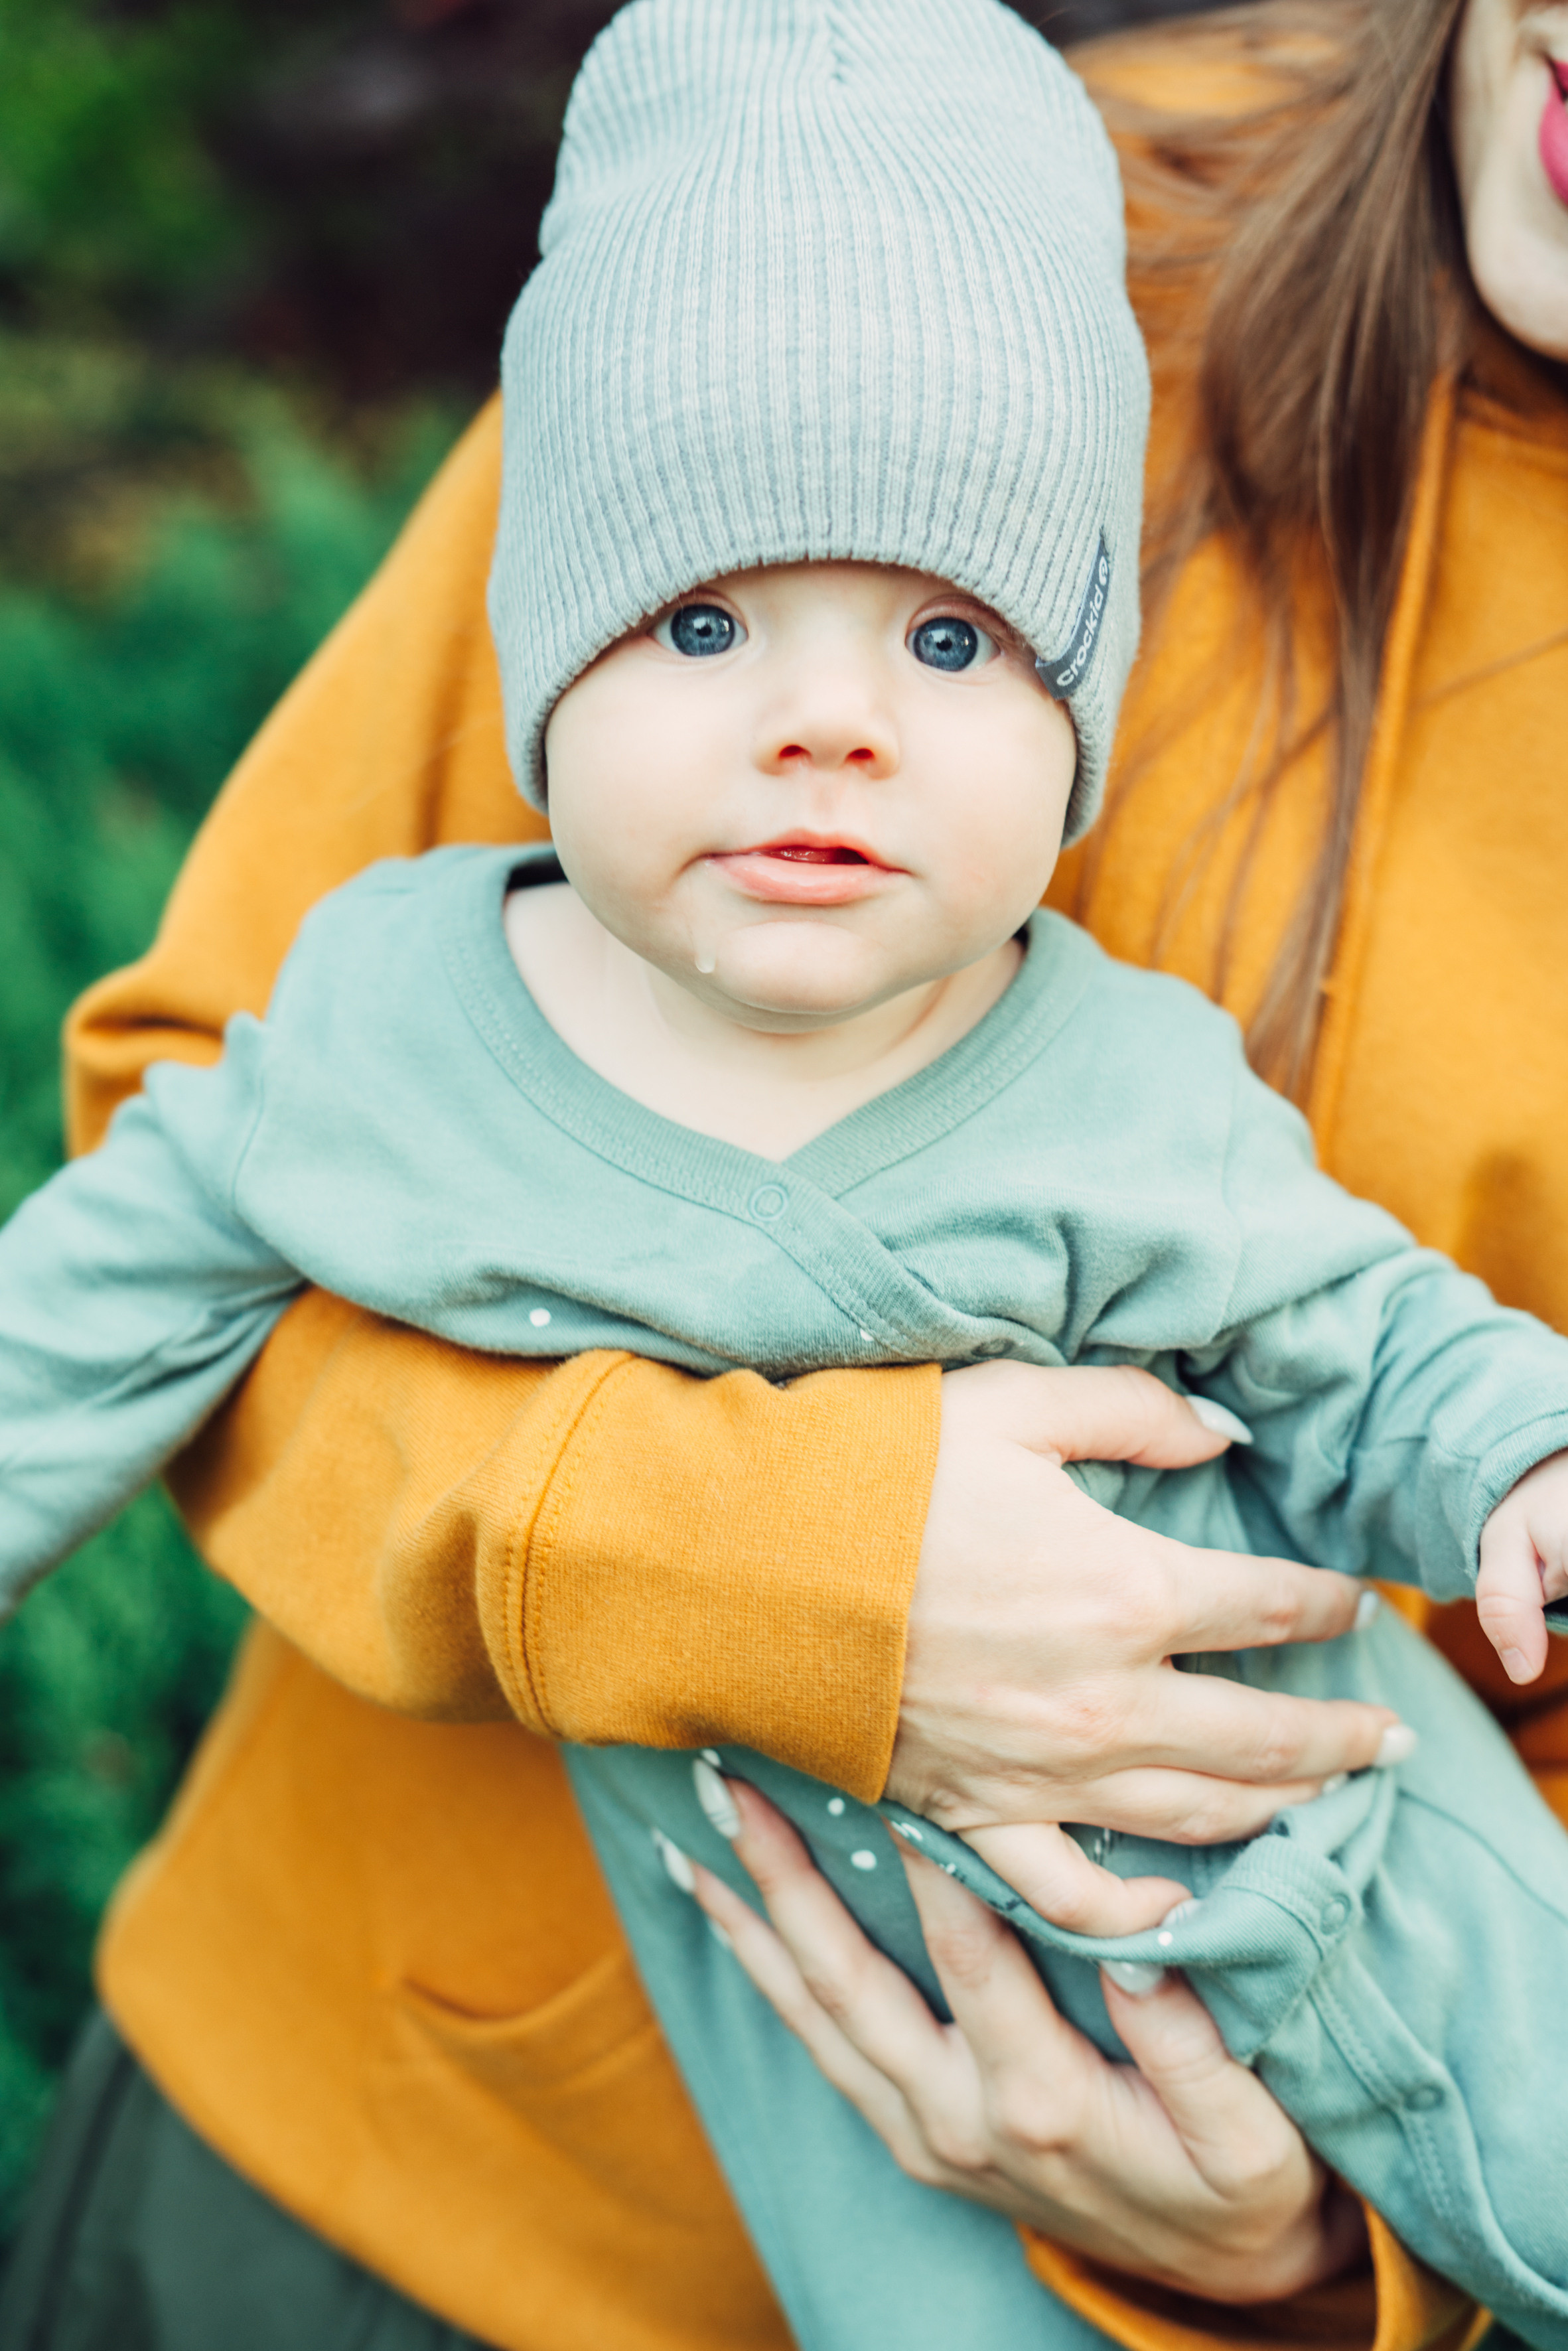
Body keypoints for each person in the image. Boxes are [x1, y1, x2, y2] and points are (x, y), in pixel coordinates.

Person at [1, 2, 1560, 2349]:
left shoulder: (1110, 1082)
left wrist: (1314, 2249)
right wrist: (743, 1571)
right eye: (709, 627)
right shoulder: (852, 213)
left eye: (947, 644)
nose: (822, 721)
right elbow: (158, 1237)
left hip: (1159, 2146)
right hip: (368, 2158)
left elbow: (1367, 1334)